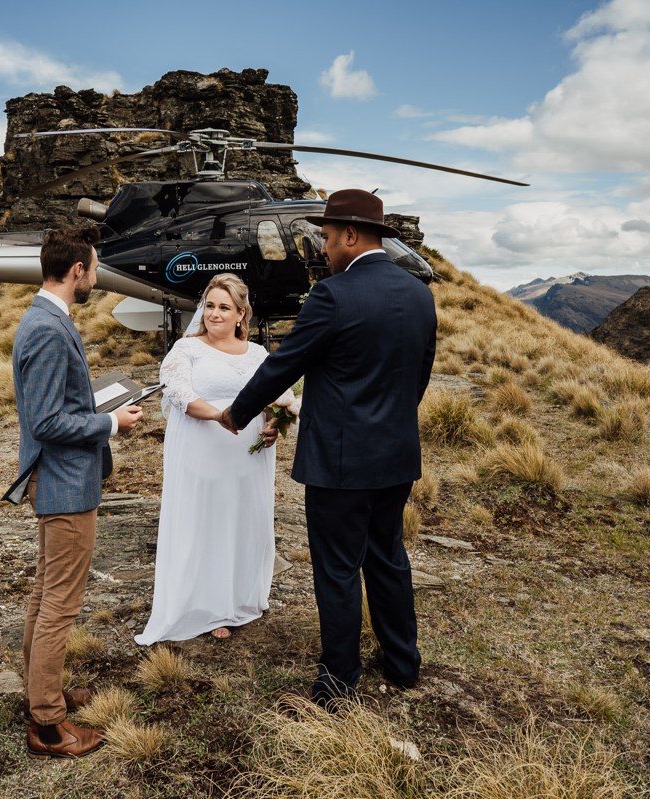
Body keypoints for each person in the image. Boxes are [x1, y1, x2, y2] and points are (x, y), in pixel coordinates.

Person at [220, 189, 437, 708]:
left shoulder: (333, 296)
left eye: (328, 236)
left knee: (338, 568)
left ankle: (340, 678)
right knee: (387, 555)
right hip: (396, 454)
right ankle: (403, 662)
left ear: (351, 235)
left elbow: (282, 365)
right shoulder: (419, 294)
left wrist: (237, 412)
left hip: (339, 465)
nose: (323, 247)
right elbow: (419, 377)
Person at [12, 225, 143, 758]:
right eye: (93, 268)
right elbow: (45, 421)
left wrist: (96, 405)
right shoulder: (46, 328)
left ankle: (40, 694)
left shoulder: (46, 318)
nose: (95, 277)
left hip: (64, 480)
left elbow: (56, 403)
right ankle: (47, 723)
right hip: (65, 483)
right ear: (76, 271)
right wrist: (110, 425)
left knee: (47, 594)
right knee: (60, 604)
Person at [135, 273, 288, 645]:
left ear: (241, 314)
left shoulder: (257, 354)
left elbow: (280, 396)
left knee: (241, 519)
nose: (214, 314)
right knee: (206, 520)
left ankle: (238, 597)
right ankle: (207, 606)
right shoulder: (186, 350)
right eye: (209, 305)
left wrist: (275, 424)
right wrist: (220, 416)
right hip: (203, 449)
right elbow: (180, 394)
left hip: (248, 457)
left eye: (224, 307)